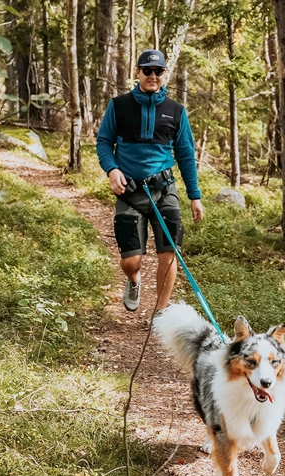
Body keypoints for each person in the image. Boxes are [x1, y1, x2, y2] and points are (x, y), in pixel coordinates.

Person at [96, 49, 203, 312]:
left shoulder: (176, 111)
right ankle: (133, 280)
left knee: (169, 253)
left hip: (164, 190)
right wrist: (112, 170)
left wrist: (194, 196)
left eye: (158, 71)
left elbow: (186, 154)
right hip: (130, 192)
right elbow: (103, 142)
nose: (153, 76)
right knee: (131, 261)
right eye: (147, 70)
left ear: (165, 74)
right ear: (138, 72)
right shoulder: (118, 106)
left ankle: (161, 312)